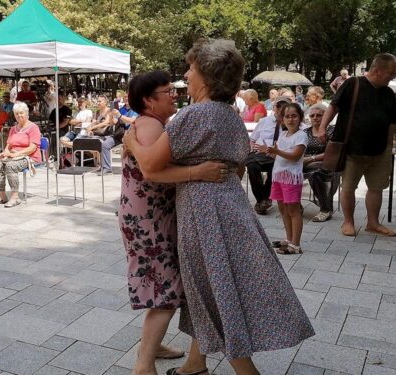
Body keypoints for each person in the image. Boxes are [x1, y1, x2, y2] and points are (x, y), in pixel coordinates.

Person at [124, 39, 314, 375]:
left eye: (192, 69)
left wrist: (131, 141)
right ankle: (195, 365)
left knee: (212, 291)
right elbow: (240, 166)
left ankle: (246, 372)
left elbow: (151, 167)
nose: (186, 74)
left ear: (207, 78)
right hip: (231, 206)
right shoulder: (230, 114)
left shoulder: (193, 115)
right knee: (215, 285)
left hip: (202, 213)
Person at [119, 70, 228, 375]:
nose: (174, 95)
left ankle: (153, 345)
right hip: (150, 220)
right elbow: (153, 172)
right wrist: (200, 172)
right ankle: (143, 366)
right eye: (166, 92)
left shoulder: (152, 123)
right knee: (165, 292)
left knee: (160, 286)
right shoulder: (151, 126)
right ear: (147, 100)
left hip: (148, 217)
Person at [318, 53, 396, 237]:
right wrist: (322, 127)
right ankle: (348, 222)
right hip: (352, 149)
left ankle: (373, 223)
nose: (394, 76)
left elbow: (392, 122)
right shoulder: (352, 84)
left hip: (379, 151)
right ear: (377, 70)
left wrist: (388, 145)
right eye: (391, 73)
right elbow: (333, 106)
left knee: (376, 188)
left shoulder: (388, 93)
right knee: (348, 187)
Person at [264, 103, 307, 254]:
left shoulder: (301, 135)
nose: (290, 119)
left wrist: (278, 151)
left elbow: (295, 156)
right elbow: (278, 154)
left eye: (294, 116)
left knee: (293, 210)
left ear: (300, 118)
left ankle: (295, 245)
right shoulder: (283, 134)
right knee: (283, 209)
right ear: (282, 119)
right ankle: (289, 238)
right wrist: (269, 151)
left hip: (291, 178)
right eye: (287, 116)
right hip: (279, 176)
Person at [0, 102, 41, 208]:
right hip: (14, 156)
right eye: (17, 113)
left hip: (30, 156)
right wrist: (4, 152)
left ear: (27, 114)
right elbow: (9, 145)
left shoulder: (33, 127)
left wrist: (17, 153)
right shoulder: (13, 129)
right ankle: (2, 196)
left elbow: (32, 148)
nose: (19, 115)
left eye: (21, 113)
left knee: (10, 165)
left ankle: (15, 197)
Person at [246, 96, 290, 214]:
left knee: (277, 167)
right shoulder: (264, 121)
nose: (281, 109)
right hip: (259, 152)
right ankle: (263, 199)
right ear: (274, 107)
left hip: (278, 155)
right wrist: (251, 148)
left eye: (284, 106)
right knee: (252, 165)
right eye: (278, 106)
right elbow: (253, 139)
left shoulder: (290, 123)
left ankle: (263, 200)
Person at [302, 103, 338, 222]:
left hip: (327, 164)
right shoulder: (305, 132)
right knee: (286, 170)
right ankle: (294, 204)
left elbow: (332, 153)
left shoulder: (332, 131)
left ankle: (325, 209)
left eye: (319, 115)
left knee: (315, 174)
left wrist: (310, 158)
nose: (315, 118)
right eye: (312, 116)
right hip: (304, 163)